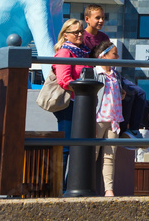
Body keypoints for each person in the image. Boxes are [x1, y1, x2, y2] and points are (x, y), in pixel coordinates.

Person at [52, 18, 89, 184]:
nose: (80, 34)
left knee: (77, 147)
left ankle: (69, 184)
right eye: (76, 32)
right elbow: (64, 80)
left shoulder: (84, 52)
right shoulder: (65, 52)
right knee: (66, 147)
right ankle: (59, 187)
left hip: (81, 104)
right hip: (69, 104)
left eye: (81, 31)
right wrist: (83, 89)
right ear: (66, 35)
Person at [92, 40, 124, 196]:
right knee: (94, 153)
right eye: (114, 54)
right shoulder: (95, 73)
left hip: (114, 120)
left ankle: (108, 190)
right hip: (98, 118)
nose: (117, 57)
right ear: (103, 56)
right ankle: (89, 186)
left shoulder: (116, 74)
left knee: (110, 156)